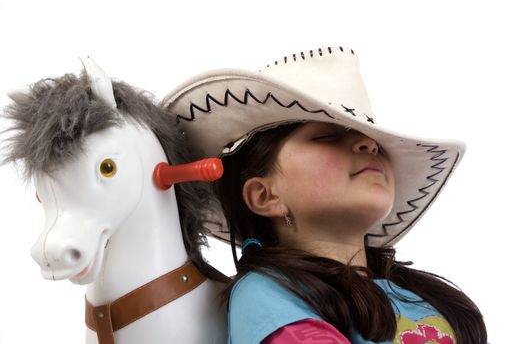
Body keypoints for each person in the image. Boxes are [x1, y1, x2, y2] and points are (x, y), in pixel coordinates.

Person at [163, 47, 487, 343]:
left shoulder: (426, 297)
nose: (369, 144)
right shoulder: (268, 294)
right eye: (327, 136)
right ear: (265, 196)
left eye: (372, 139)